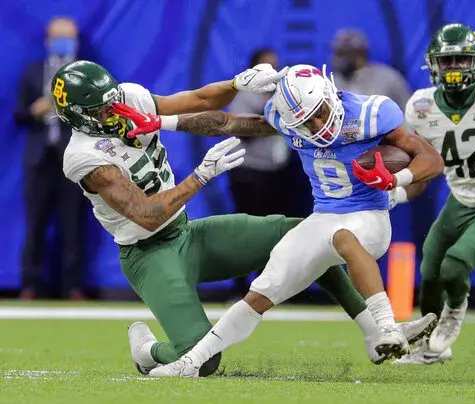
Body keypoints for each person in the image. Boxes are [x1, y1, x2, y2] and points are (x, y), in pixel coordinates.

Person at [52, 60, 437, 377]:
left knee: (308, 237)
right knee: (204, 361)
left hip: (187, 233)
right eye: (102, 110)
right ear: (79, 117)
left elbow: (201, 100)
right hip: (148, 253)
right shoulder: (83, 156)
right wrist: (201, 175)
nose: (115, 110)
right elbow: (147, 215)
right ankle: (148, 351)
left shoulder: (129, 97)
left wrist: (236, 83)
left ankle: (375, 333)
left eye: (114, 101)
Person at [391, 24, 475, 365]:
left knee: (455, 266)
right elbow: (423, 168)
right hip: (460, 199)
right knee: (430, 269)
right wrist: (396, 192)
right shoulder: (420, 106)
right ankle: (429, 347)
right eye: (447, 61)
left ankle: (455, 310)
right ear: (433, 64)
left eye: (462, 59)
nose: (455, 67)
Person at [14, 16, 87, 300]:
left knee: (73, 223)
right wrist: (35, 110)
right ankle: (30, 285)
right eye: (59, 37)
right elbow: (19, 114)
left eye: (69, 37)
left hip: (73, 156)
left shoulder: (85, 73)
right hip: (39, 157)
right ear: (48, 40)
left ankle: (73, 286)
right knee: (35, 223)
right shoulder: (33, 71)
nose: (63, 42)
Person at [227, 48, 309, 297]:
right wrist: (269, 116)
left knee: (274, 231)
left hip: (277, 173)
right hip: (249, 172)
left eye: (275, 66)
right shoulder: (244, 96)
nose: (272, 72)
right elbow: (240, 129)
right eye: (266, 67)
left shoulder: (283, 96)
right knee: (246, 230)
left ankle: (268, 287)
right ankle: (240, 286)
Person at [331, 29, 411, 111]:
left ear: (360, 54)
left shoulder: (387, 78)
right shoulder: (332, 84)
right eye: (336, 53)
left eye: (342, 53)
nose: (337, 59)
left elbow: (408, 110)